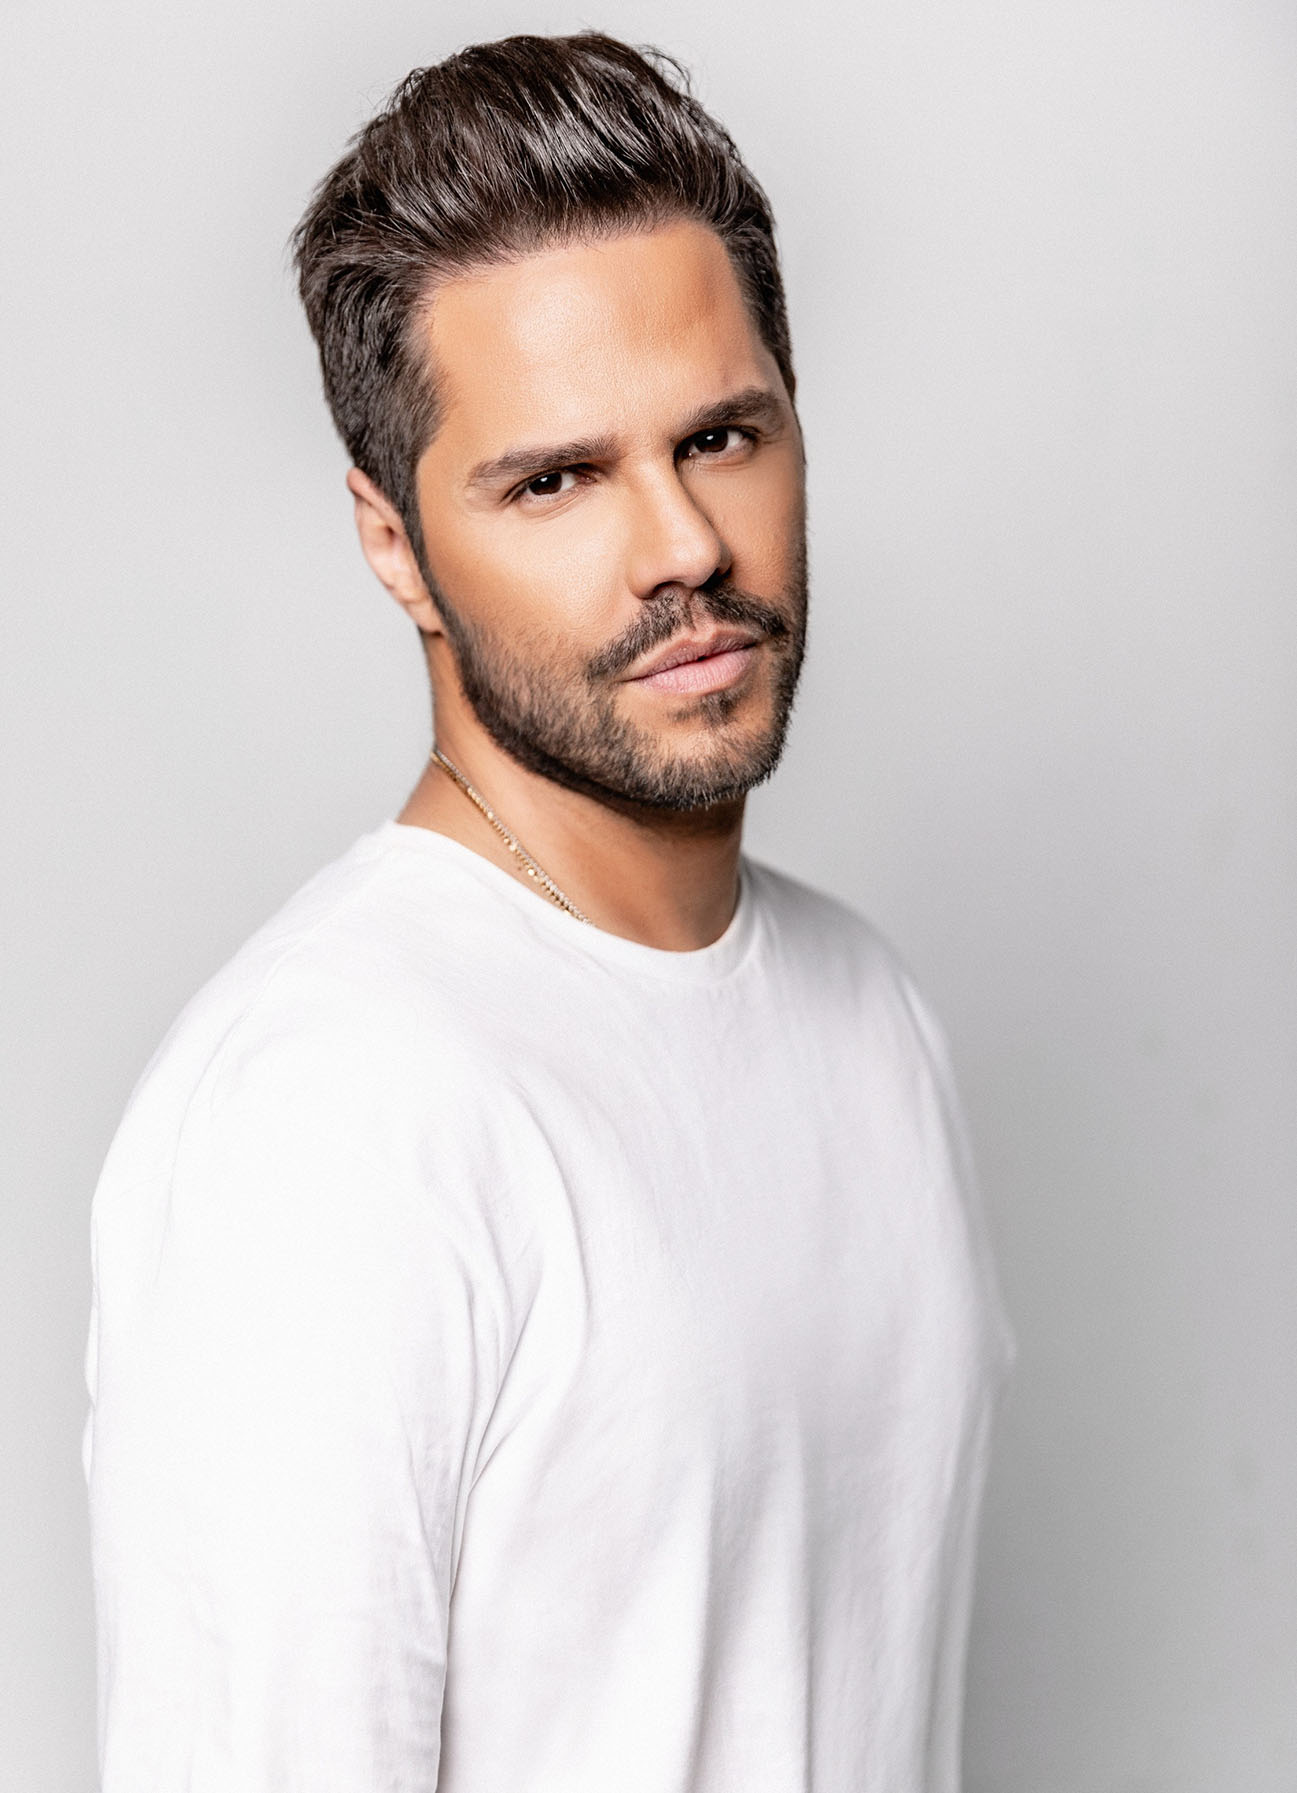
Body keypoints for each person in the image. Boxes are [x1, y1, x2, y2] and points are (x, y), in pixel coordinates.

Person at [84, 31, 1012, 1793]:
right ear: (393, 542)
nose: (683, 546)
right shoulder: (332, 1115)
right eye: (555, 479)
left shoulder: (871, 1013)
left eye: (719, 437)